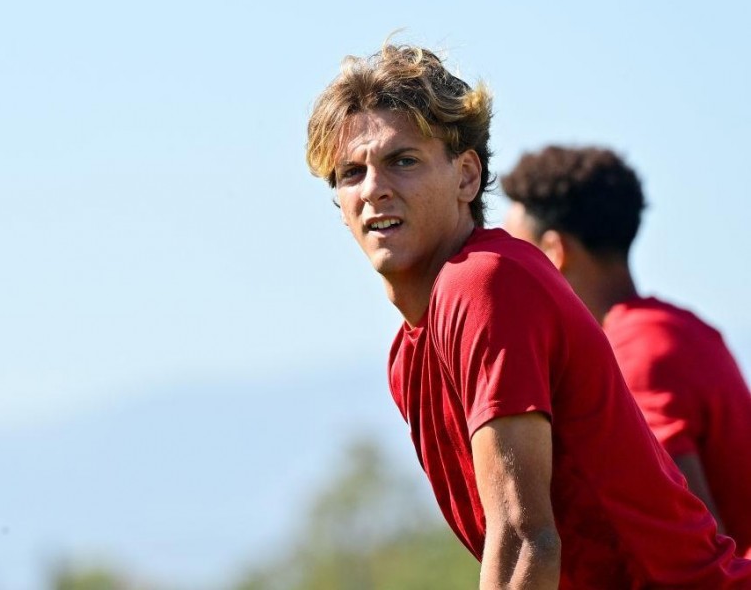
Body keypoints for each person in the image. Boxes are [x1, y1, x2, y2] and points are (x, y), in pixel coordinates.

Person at [306, 42, 751, 588]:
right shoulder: (408, 352)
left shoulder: (483, 281)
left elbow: (524, 541)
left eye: (404, 160)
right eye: (351, 172)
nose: (374, 188)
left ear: (467, 176)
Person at [502, 145, 751, 558]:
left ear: (554, 252)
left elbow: (690, 548)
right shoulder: (681, 328)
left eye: (518, 255)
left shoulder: (632, 353)